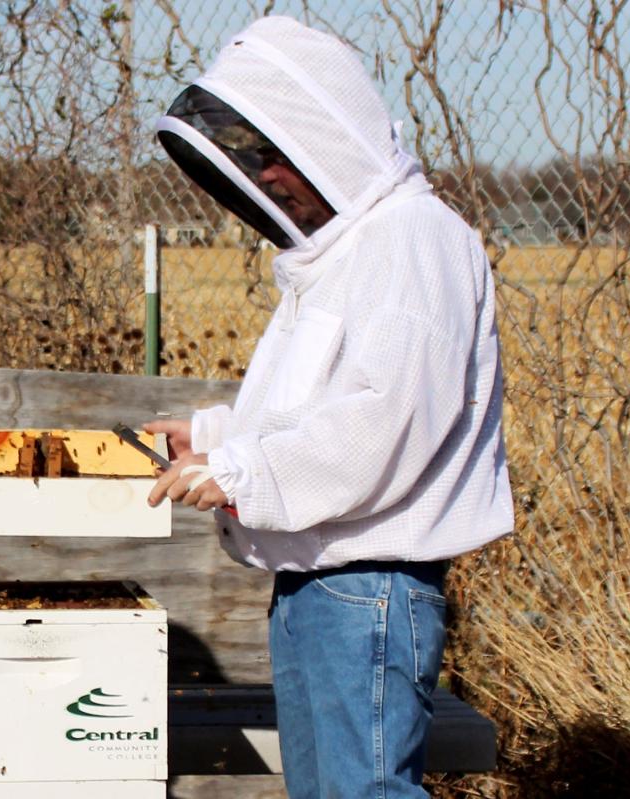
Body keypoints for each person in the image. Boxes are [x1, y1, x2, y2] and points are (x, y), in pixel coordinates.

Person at [145, 17, 514, 798]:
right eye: (251, 161)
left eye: (272, 154)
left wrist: (243, 468)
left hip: (371, 588)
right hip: (321, 582)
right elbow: (317, 398)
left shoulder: (413, 239)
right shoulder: (353, 252)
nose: (266, 179)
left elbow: (385, 421)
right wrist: (215, 435)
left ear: (325, 134)